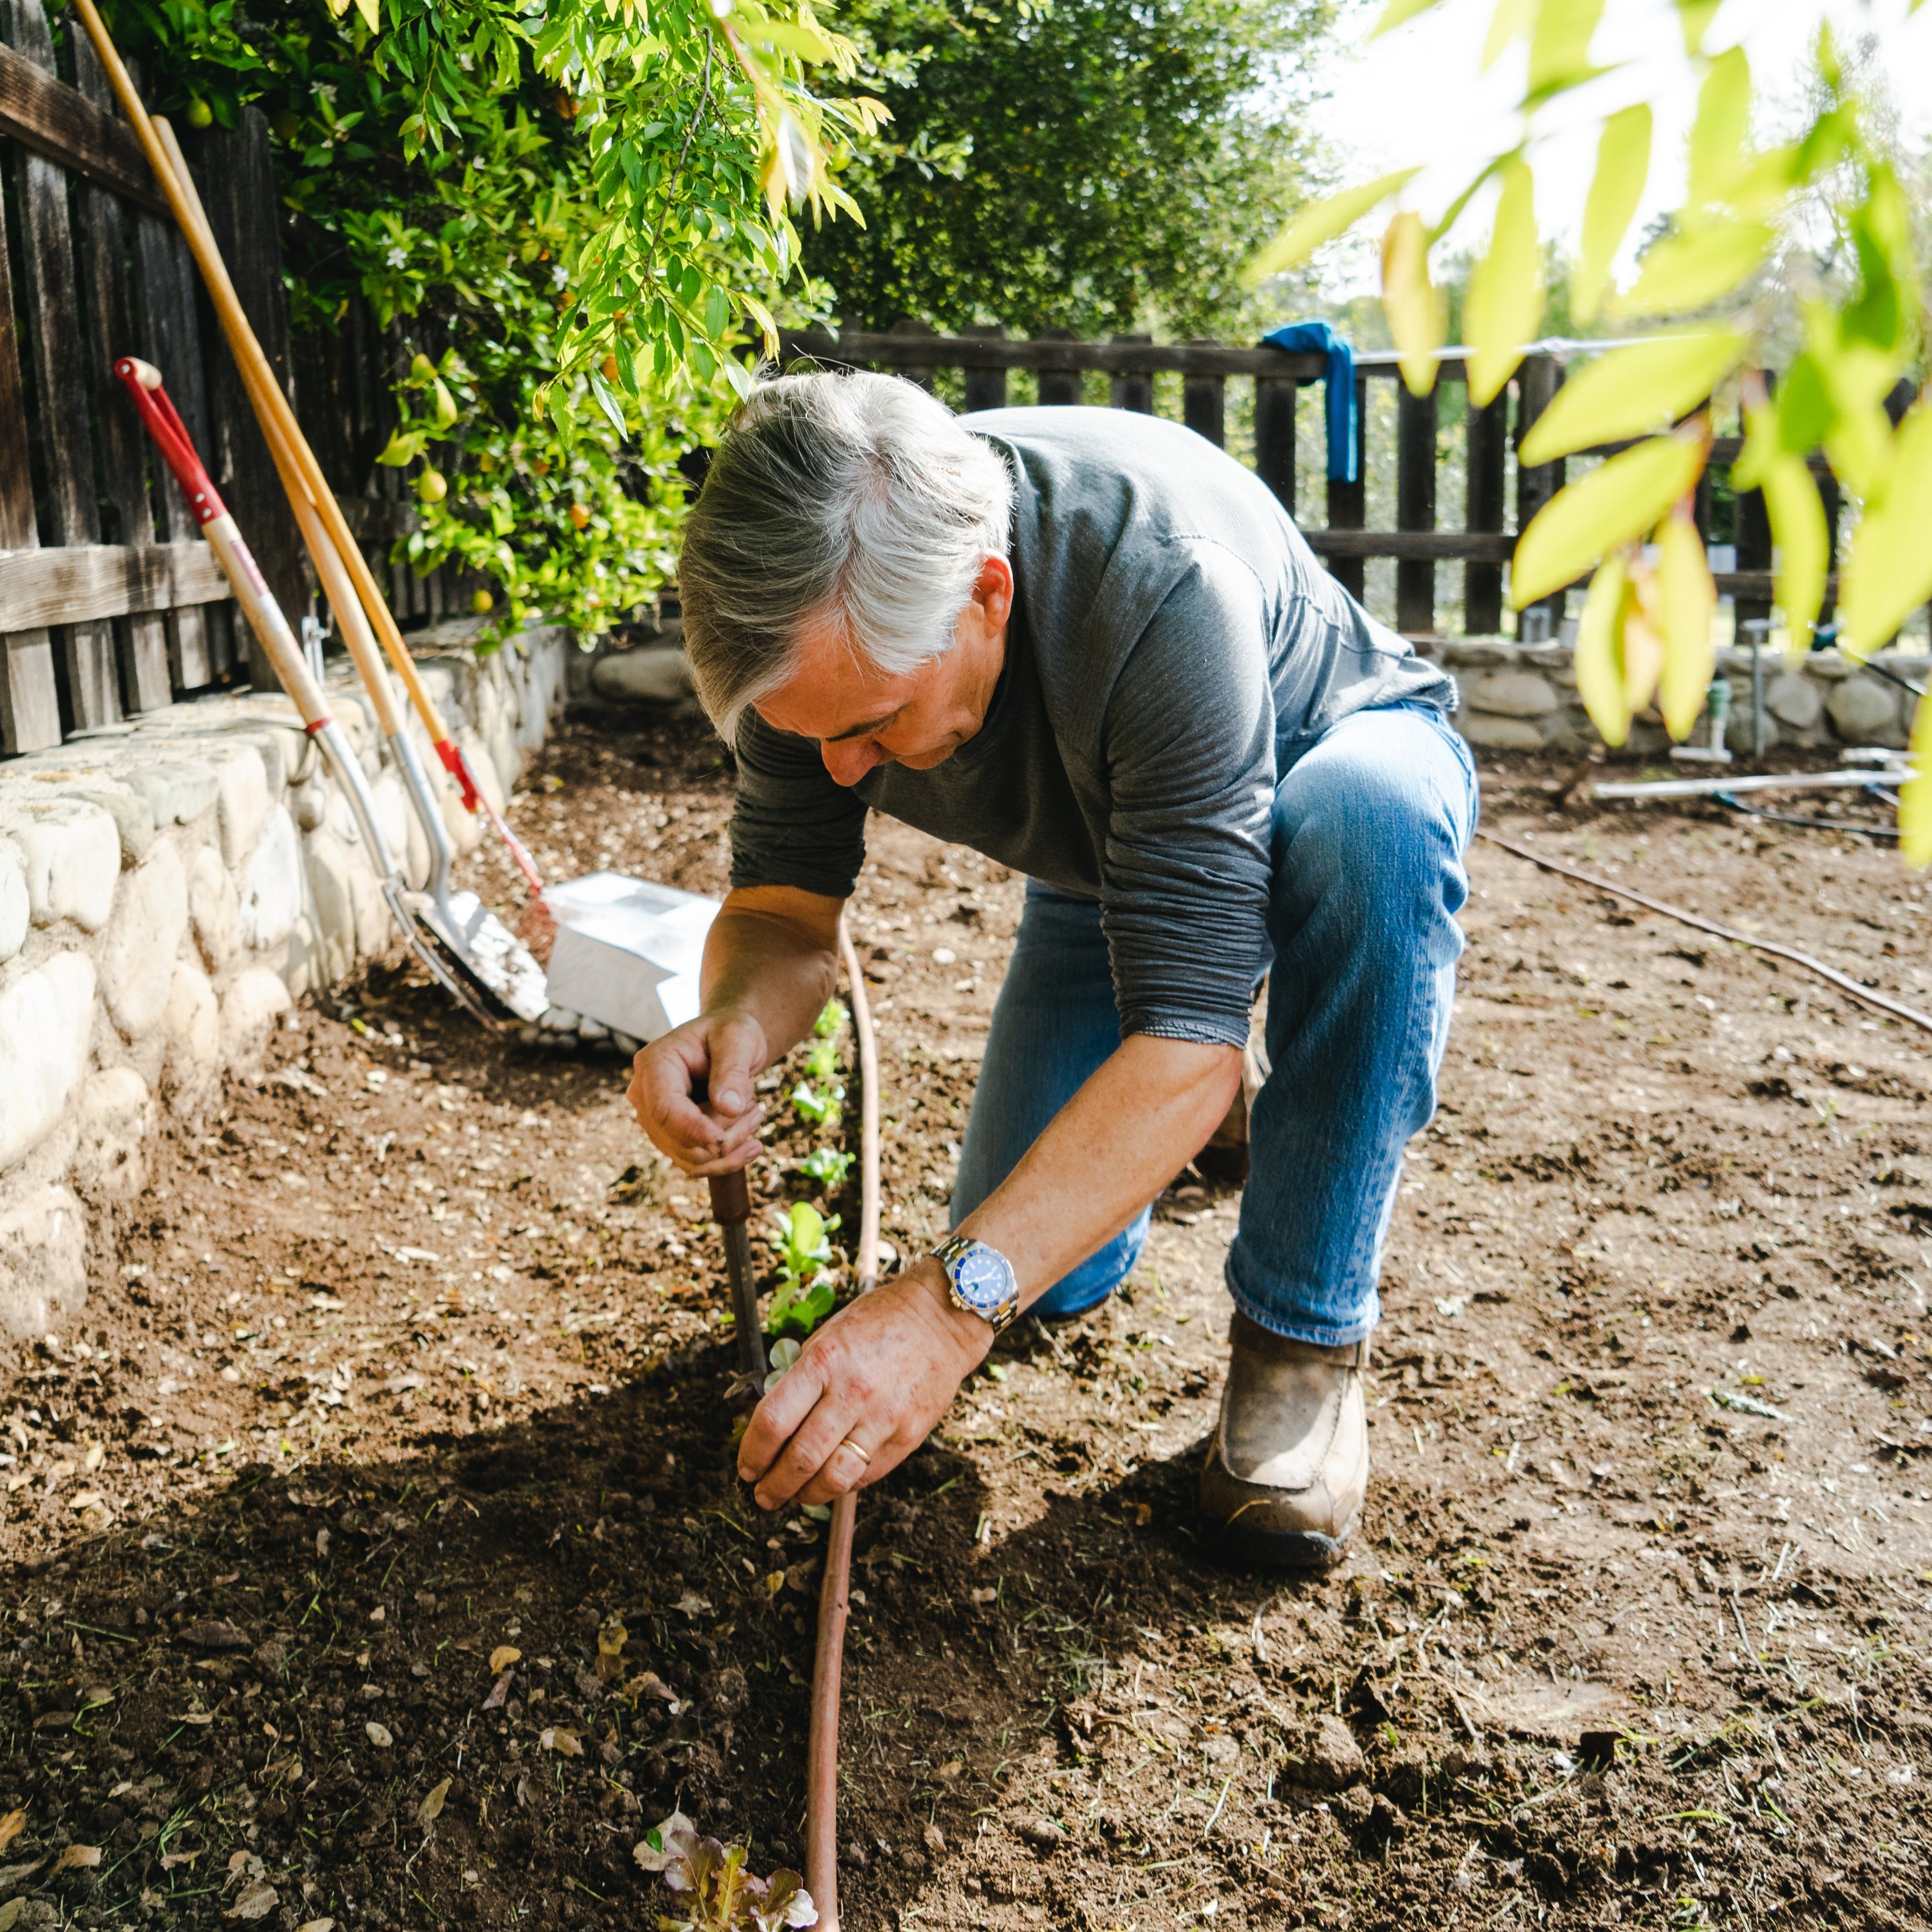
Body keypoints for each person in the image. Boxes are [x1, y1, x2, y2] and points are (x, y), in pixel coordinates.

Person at [627, 370, 1476, 1568]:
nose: (836, 766)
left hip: (1326, 748)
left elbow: (1185, 1031)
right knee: (1050, 1282)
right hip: (1107, 857)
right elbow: (781, 910)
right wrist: (731, 1022)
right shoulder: (814, 625)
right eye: (807, 730)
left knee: (1365, 825)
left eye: (869, 724)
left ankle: (1302, 1337)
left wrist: (939, 1305)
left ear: (987, 597)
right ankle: (1193, 1113)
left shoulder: (1152, 583)